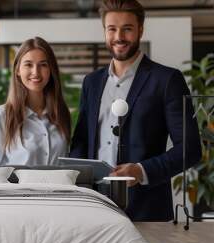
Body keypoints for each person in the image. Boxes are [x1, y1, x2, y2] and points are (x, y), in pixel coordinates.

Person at [70, 0, 201, 221]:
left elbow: (190, 148)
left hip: (147, 209)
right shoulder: (91, 83)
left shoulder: (167, 80)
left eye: (127, 28)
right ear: (105, 31)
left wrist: (141, 171)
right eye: (112, 29)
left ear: (140, 29)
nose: (119, 36)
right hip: (94, 208)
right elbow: (81, 142)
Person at [0, 37, 71, 166]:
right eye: (28, 64)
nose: (36, 72)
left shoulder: (61, 114)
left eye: (43, 65)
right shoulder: (2, 116)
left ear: (51, 70)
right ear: (17, 70)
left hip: (57, 187)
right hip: (16, 187)